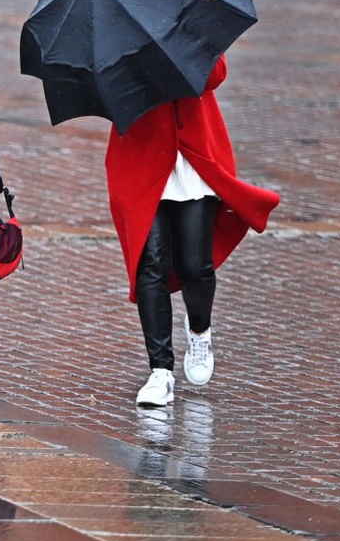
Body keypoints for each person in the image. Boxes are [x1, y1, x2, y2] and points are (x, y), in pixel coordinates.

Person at [106, 56, 280, 407]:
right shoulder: (115, 33)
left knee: (195, 265)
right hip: (140, 153)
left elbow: (214, 75)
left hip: (195, 155)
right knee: (149, 262)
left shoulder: (186, 17)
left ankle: (199, 331)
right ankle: (160, 372)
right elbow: (108, 95)